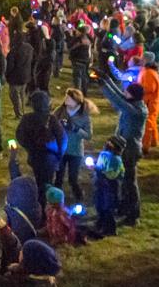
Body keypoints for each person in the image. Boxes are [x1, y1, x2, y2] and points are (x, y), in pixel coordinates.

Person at [98, 74, 147, 226]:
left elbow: (117, 100)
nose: (125, 93)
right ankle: (124, 208)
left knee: (129, 183)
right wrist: (106, 79)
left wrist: (103, 86)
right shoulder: (134, 104)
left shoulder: (136, 111)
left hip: (130, 150)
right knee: (124, 181)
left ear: (133, 96)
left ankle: (133, 215)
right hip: (124, 148)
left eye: (127, 92)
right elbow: (120, 95)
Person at [16, 91, 67, 207]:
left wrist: (29, 147)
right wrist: (59, 155)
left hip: (35, 157)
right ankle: (49, 207)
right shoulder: (51, 119)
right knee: (47, 183)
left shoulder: (27, 118)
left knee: (40, 181)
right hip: (50, 157)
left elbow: (19, 136)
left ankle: (42, 205)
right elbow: (62, 138)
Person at [53, 88, 97, 202]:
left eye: (69, 98)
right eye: (66, 97)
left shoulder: (84, 116)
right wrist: (58, 126)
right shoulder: (59, 111)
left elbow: (88, 135)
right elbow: (50, 124)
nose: (66, 99)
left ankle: (79, 199)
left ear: (76, 101)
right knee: (58, 178)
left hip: (75, 152)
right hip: (61, 150)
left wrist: (75, 128)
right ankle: (55, 201)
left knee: (73, 179)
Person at [92, 135, 126, 236]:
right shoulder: (103, 154)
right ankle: (100, 223)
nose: (108, 143)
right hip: (100, 183)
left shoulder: (116, 160)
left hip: (111, 186)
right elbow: (100, 165)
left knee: (108, 207)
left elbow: (111, 175)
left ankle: (110, 229)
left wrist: (97, 170)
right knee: (99, 204)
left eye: (111, 142)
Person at [6, 33, 34, 118]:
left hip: (15, 77)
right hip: (26, 75)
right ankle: (22, 111)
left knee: (14, 95)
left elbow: (10, 65)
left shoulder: (14, 50)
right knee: (22, 94)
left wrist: (7, 75)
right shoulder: (29, 48)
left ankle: (19, 113)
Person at [137, 51, 159, 154]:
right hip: (151, 102)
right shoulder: (147, 71)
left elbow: (149, 88)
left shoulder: (149, 73)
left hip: (149, 103)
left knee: (147, 123)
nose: (140, 59)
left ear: (146, 60)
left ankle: (144, 146)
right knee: (151, 121)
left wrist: (137, 89)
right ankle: (154, 141)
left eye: (142, 58)